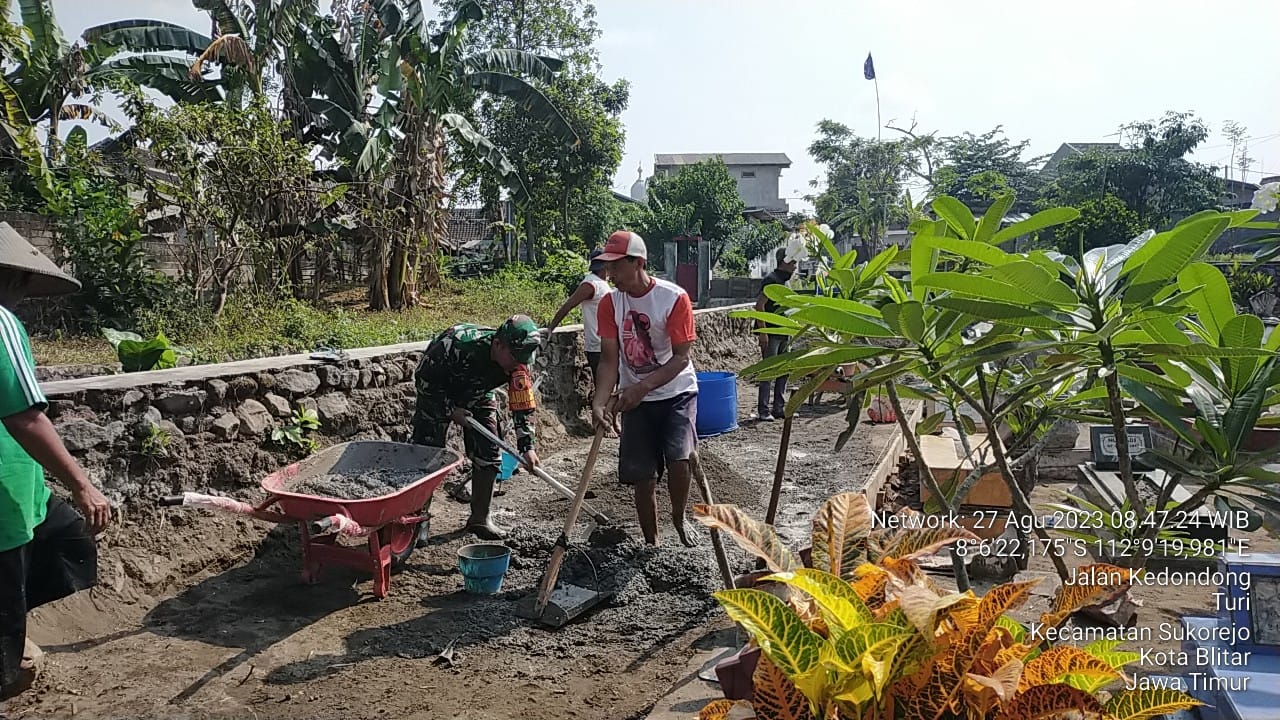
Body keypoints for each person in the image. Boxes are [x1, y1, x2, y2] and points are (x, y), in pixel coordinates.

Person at [0, 223, 111, 700]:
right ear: (13, 278)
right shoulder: (2, 323)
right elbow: (25, 416)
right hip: (3, 505)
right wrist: (83, 484)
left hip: (24, 491)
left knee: (69, 539)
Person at [590, 230, 699, 547]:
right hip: (635, 399)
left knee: (680, 460)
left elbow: (681, 359)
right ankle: (652, 544)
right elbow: (609, 360)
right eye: (606, 267)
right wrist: (599, 401)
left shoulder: (673, 298)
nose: (610, 275)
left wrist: (642, 388)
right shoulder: (610, 304)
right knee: (643, 476)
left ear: (638, 262)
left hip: (676, 392)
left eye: (616, 267)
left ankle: (678, 517)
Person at [411, 315, 543, 540]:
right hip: (438, 393)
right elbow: (424, 380)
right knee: (428, 456)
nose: (518, 363)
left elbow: (523, 406)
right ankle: (417, 522)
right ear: (498, 345)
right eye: (514, 356)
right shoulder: (456, 343)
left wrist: (527, 446)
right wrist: (450, 411)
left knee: (490, 452)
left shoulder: (519, 364)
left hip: (478, 394)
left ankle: (480, 519)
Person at [544, 249, 612, 389]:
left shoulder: (601, 283)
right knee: (604, 390)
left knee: (610, 389)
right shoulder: (590, 284)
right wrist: (551, 327)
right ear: (605, 266)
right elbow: (568, 305)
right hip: (598, 347)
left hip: (607, 344)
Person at [753, 247, 797, 421]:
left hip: (783, 332)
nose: (795, 266)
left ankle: (779, 407)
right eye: (792, 262)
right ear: (784, 262)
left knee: (783, 371)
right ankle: (763, 410)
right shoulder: (771, 280)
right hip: (771, 332)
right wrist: (763, 332)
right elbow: (760, 305)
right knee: (769, 371)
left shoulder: (784, 282)